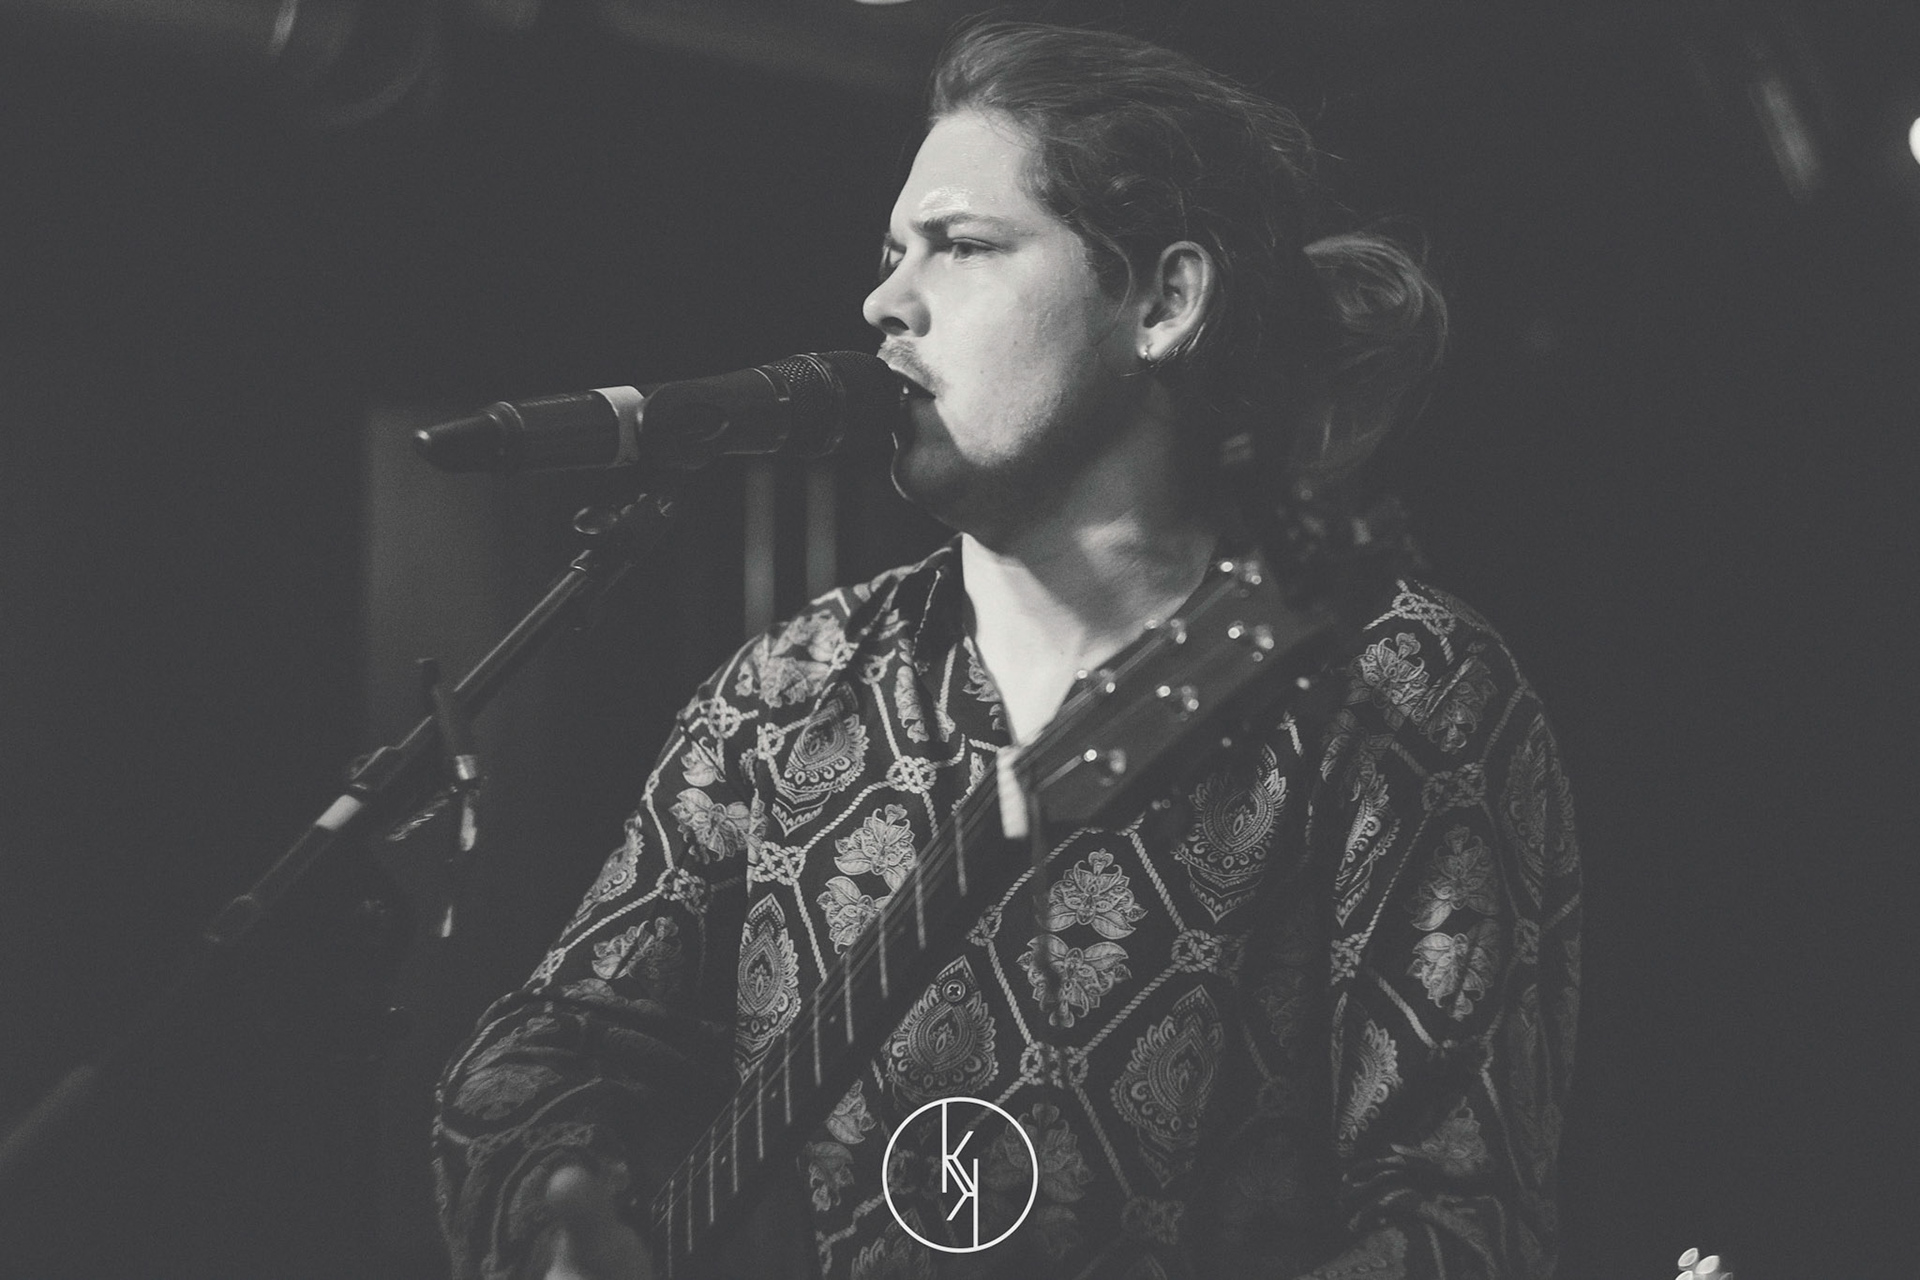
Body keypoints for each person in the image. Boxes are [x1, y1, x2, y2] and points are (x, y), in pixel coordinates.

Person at [432, 20, 1580, 1280]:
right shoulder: (790, 690)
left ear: (1164, 301)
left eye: (963, 246)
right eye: (891, 253)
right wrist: (557, 1219)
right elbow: (541, 1055)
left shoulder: (1396, 683)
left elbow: (1452, 1214)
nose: (884, 300)